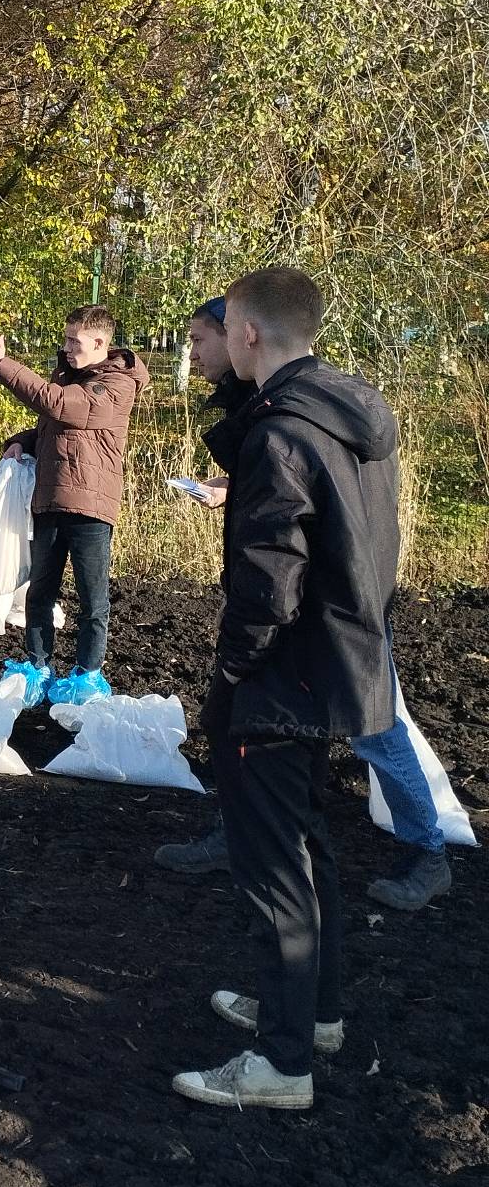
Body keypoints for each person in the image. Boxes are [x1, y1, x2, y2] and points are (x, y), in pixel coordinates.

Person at [173, 268, 399, 1112]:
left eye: (223, 327)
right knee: (310, 848)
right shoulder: (346, 417)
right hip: (337, 664)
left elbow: (269, 584)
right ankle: (314, 1015)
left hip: (280, 679)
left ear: (250, 335)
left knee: (275, 870)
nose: (218, 342)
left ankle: (280, 1063)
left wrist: (233, 672)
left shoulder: (279, 437)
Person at [155, 296, 453, 912]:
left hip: (338, 602)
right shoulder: (284, 400)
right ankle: (239, 832)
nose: (196, 353)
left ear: (246, 334)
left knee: (374, 728)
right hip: (319, 597)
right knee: (272, 736)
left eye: (202, 340)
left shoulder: (300, 406)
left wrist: (250, 632)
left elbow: (321, 496)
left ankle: (428, 852)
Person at [0, 306, 149, 704]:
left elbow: (62, 406)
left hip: (89, 507)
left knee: (92, 598)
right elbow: (53, 426)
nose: (66, 348)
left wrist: (2, 365)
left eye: (75, 342)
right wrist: (21, 441)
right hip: (50, 499)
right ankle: (37, 668)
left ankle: (87, 676)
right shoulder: (69, 375)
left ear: (100, 343)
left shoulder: (116, 385)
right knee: (40, 592)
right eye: (66, 339)